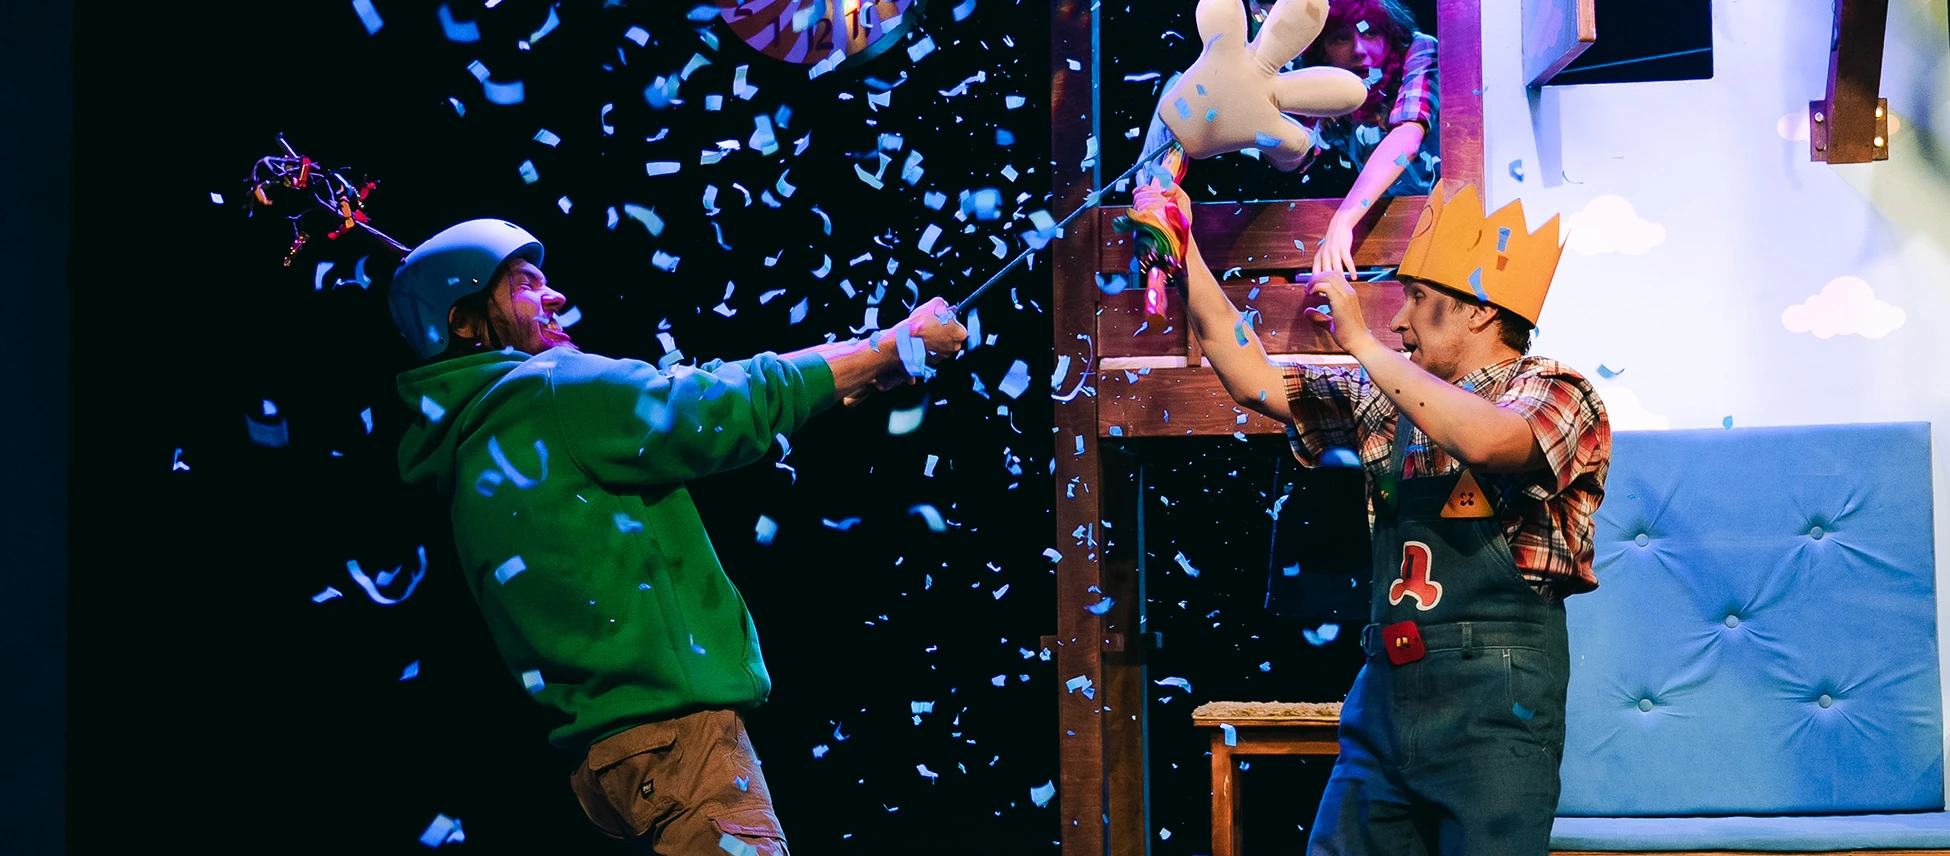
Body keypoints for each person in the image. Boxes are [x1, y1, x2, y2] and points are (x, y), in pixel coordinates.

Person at [386, 219, 967, 855]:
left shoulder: (469, 448)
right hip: (679, 750)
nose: (554, 296)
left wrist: (851, 374)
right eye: (525, 285)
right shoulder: (542, 388)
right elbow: (719, 402)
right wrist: (891, 346)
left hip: (611, 766)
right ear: (465, 322)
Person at [1133, 181, 1609, 854]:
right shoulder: (1385, 400)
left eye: (1415, 297)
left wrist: (1358, 340)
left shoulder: (1556, 390)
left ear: (1479, 312)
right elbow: (1250, 376)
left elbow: (1487, 441)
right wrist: (1185, 254)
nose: (1399, 321)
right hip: (1385, 694)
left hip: (1495, 704)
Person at [1300, 0, 1441, 277]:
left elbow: (1408, 133)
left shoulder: (1419, 49)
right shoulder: (1338, 88)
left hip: (1449, 227)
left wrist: (1343, 219)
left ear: (1390, 35)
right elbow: (1298, 154)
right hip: (1393, 239)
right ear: (1322, 51)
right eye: (1340, 38)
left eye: (1370, 33)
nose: (1358, 50)